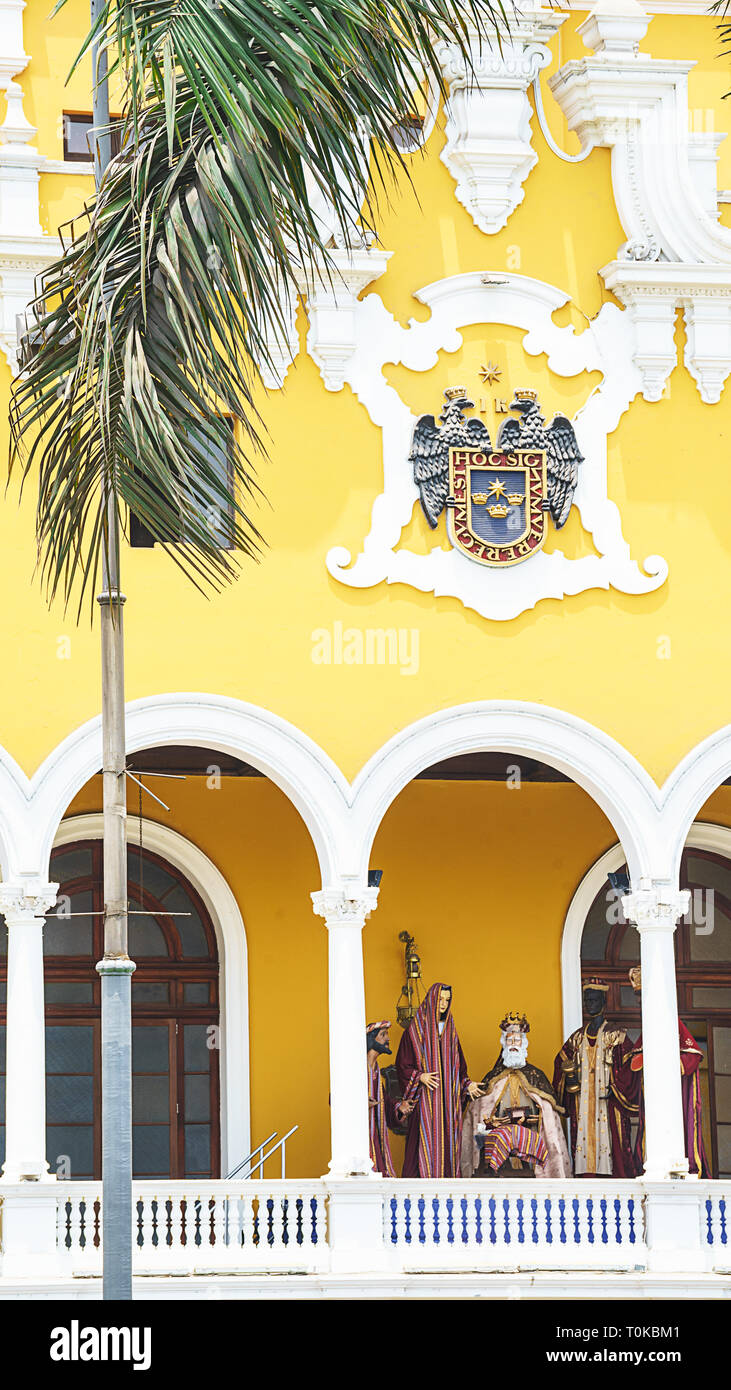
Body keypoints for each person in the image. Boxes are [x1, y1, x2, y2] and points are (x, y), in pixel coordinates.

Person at [613, 966, 710, 1177]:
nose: (640, 1001)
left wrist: (669, 1066)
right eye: (637, 996)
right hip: (653, 1096)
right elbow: (635, 1061)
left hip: (673, 1095)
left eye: (642, 994)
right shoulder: (648, 1026)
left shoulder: (671, 1022)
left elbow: (693, 1055)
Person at [462, 1012, 571, 1177]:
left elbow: (549, 1115)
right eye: (509, 1040)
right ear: (504, 1043)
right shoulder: (493, 1077)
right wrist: (492, 1121)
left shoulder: (536, 1076)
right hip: (498, 1139)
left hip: (531, 1138)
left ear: (524, 1043)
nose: (513, 1044)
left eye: (517, 1040)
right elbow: (479, 1113)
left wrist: (537, 1118)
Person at [395, 982, 483, 1178]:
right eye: (440, 999)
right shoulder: (414, 1031)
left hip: (449, 1107)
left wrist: (467, 1085)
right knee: (421, 1147)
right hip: (425, 1104)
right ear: (431, 1000)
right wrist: (420, 1076)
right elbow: (402, 1065)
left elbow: (459, 1066)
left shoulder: (450, 1032)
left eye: (447, 1000)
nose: (443, 1004)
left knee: (449, 1145)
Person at [553, 978, 635, 1177]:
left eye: (593, 1000)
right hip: (582, 1104)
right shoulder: (577, 1038)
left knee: (614, 1144)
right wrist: (569, 1080)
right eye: (586, 1000)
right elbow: (560, 1064)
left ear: (603, 1001)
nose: (589, 1004)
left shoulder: (617, 1035)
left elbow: (631, 1068)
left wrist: (615, 1087)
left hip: (608, 1104)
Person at [366, 1020, 413, 1177]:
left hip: (376, 1135)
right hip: (361, 1138)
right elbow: (336, 1098)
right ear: (371, 1040)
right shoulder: (355, 1068)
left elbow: (384, 1101)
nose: (388, 1039)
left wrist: (399, 1107)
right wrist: (360, 1104)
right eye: (383, 1035)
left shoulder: (376, 1072)